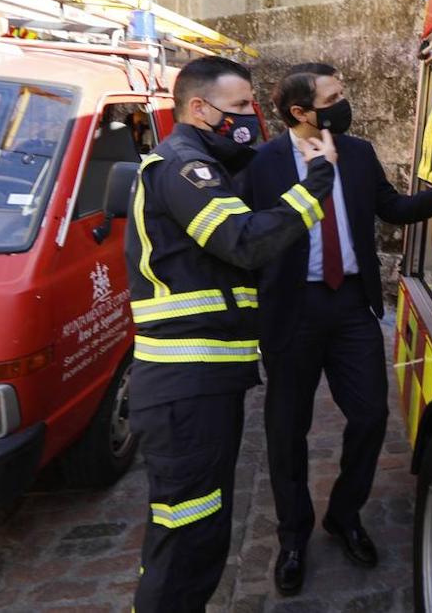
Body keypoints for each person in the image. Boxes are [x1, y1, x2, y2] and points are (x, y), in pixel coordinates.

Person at [242, 62, 432, 596]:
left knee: (368, 416)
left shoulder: (359, 153)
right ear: (300, 112)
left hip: (350, 306)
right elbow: (246, 236)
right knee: (286, 430)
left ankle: (344, 515)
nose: (345, 102)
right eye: (333, 96)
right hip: (291, 312)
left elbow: (391, 208)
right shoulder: (263, 164)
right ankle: (294, 534)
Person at [125, 56, 338, 613]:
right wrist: (313, 186)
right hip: (183, 386)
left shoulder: (204, 162)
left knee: (201, 529)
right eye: (240, 106)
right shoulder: (182, 166)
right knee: (186, 539)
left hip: (201, 383)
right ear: (199, 107)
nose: (248, 117)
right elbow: (240, 242)